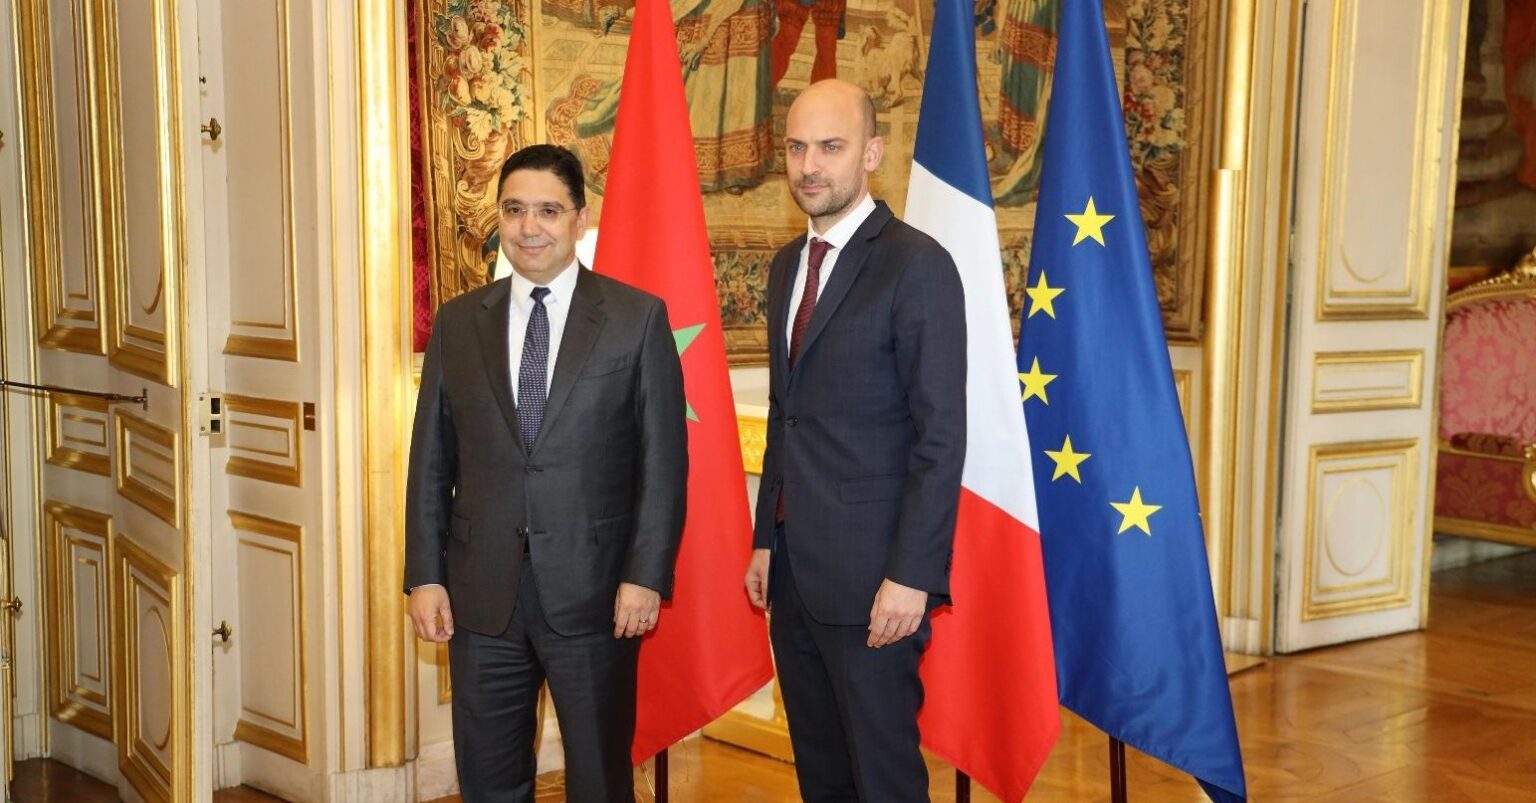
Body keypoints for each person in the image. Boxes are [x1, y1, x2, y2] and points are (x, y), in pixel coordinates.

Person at [404, 144, 688, 803]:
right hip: (482, 598)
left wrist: (645, 576)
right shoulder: (457, 323)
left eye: (548, 211)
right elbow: (430, 460)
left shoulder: (635, 319)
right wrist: (425, 574)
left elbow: (663, 464)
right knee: (488, 780)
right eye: (514, 210)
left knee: (598, 781)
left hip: (596, 595)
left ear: (580, 220)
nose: (529, 227)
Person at [743, 80, 966, 801]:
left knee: (884, 781)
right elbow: (786, 415)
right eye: (796, 147)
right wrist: (765, 539)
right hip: (794, 578)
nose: (810, 165)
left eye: (830, 147)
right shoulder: (787, 265)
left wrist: (911, 575)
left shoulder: (916, 264)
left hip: (876, 583)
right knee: (823, 778)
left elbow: (941, 437)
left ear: (871, 153)